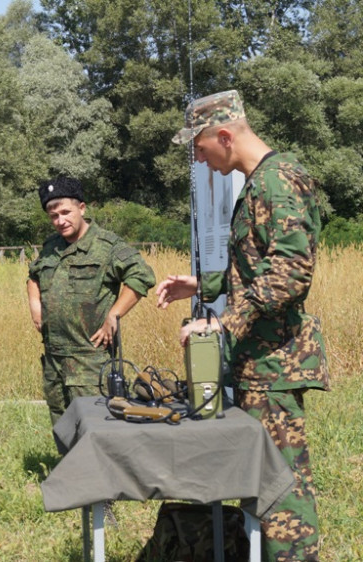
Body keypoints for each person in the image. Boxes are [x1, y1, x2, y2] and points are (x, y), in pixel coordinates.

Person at [157, 90, 329, 561]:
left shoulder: (277, 182)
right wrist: (202, 284)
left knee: (281, 490)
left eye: (199, 148)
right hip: (259, 364)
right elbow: (257, 265)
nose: (199, 159)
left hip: (274, 365)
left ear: (226, 136)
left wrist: (221, 326)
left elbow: (291, 272)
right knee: (262, 483)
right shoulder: (259, 184)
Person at [26, 178, 156, 425]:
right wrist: (35, 306)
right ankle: (69, 464)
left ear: (82, 208)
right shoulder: (51, 247)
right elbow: (34, 276)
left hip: (90, 361)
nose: (60, 220)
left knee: (96, 426)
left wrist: (114, 314)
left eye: (66, 212)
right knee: (62, 425)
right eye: (53, 216)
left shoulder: (106, 246)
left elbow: (142, 275)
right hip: (54, 360)